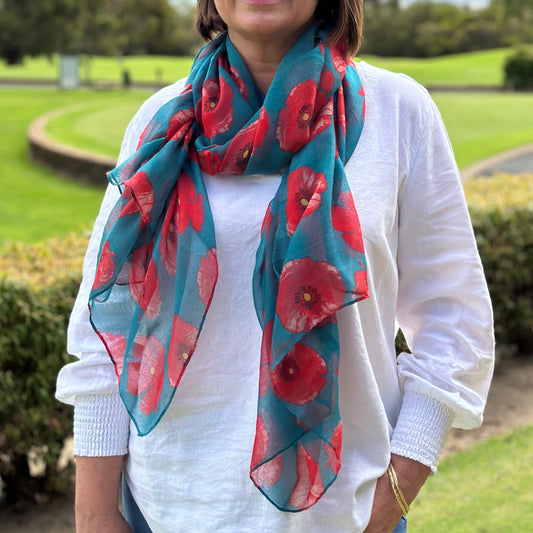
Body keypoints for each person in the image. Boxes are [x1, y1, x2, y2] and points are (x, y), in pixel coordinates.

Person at [56, 0, 494, 532]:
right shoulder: (160, 122)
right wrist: (97, 514)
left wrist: (394, 493)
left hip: (344, 520)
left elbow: (455, 323)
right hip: (162, 509)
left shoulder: (400, 111)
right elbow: (106, 338)